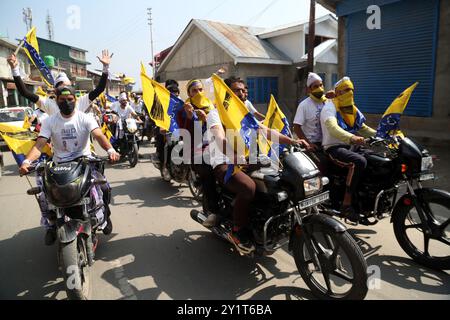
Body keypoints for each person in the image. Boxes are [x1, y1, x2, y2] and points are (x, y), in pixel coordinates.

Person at [206, 77, 309, 254]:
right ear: (227, 93)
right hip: (224, 162)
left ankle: (270, 217)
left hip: (247, 159)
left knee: (279, 178)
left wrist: (292, 140)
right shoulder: (215, 113)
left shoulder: (243, 112)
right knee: (248, 188)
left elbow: (265, 130)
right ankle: (238, 231)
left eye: (244, 90)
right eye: (237, 90)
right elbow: (219, 137)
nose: (242, 93)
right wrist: (233, 156)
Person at [19, 86, 120, 245]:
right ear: (56, 101)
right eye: (62, 100)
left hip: (85, 162)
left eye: (70, 99)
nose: (67, 102)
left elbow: (98, 135)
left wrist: (111, 149)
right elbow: (39, 145)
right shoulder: (49, 121)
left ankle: (105, 216)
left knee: (104, 187)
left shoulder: (85, 118)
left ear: (75, 100)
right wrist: (27, 162)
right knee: (44, 194)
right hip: (60, 165)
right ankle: (51, 226)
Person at [320, 77, 376, 224]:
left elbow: (363, 128)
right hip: (333, 148)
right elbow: (333, 128)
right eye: (346, 90)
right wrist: (352, 137)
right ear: (337, 92)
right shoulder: (329, 108)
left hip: (350, 146)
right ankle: (346, 204)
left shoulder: (351, 109)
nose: (349, 92)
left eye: (351, 89)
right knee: (359, 162)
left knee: (377, 159)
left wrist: (382, 135)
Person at [7, 50, 112, 116]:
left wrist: (105, 68)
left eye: (68, 86)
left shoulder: (80, 102)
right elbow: (24, 92)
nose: (66, 89)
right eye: (62, 86)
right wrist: (15, 69)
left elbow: (100, 89)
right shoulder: (48, 104)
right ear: (56, 90)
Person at [182, 79, 219, 226]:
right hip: (196, 149)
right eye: (194, 91)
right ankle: (212, 211)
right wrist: (192, 119)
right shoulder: (185, 108)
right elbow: (184, 132)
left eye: (200, 90)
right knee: (208, 169)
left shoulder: (211, 105)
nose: (198, 93)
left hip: (217, 144)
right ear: (189, 94)